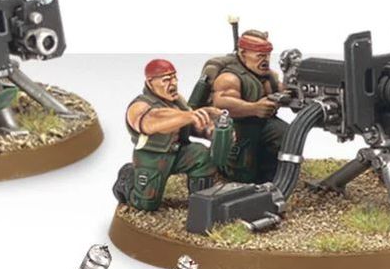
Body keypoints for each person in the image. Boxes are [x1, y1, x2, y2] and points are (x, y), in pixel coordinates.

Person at [115, 59, 220, 210]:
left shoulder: (178, 101)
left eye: (174, 78)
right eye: (166, 80)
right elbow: (152, 122)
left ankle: (201, 201)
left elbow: (191, 125)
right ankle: (127, 178)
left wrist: (211, 130)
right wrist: (188, 116)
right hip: (153, 157)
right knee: (146, 204)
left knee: (202, 155)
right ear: (150, 83)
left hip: (179, 152)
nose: (173, 83)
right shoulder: (139, 106)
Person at [211, 29, 286, 182]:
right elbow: (222, 104)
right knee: (243, 174)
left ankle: (271, 177)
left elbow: (284, 90)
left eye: (267, 55)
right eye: (260, 55)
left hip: (263, 124)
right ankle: (226, 170)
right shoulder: (229, 78)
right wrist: (254, 108)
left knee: (286, 134)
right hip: (238, 128)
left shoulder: (269, 75)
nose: (265, 60)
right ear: (243, 53)